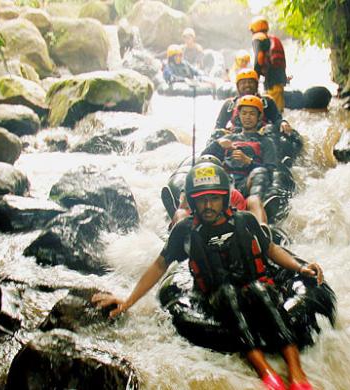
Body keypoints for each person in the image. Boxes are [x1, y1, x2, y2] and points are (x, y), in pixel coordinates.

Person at [92, 162, 323, 390]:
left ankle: (296, 372)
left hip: (254, 286)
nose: (208, 205)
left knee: (260, 291)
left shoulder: (245, 221)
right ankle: (266, 372)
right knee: (227, 293)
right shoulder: (185, 231)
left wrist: (300, 267)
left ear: (225, 198)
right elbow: (158, 266)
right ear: (192, 202)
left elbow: (271, 250)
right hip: (217, 295)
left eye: (213, 199)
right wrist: (128, 301)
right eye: (201, 200)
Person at [202, 95, 277, 203]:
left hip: (246, 185)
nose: (247, 117)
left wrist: (249, 162)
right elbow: (204, 160)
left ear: (259, 116)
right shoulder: (228, 138)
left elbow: (269, 173)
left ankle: (255, 206)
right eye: (244, 113)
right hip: (224, 184)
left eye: (252, 114)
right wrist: (217, 144)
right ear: (239, 115)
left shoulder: (266, 142)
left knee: (260, 172)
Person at [169, 155, 269, 231]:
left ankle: (262, 230)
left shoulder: (232, 194)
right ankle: (178, 237)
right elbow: (185, 212)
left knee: (254, 200)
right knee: (180, 212)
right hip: (198, 228)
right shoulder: (190, 195)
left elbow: (239, 218)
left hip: (228, 228)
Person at [249, 16, 287, 113]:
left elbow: (259, 58)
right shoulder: (272, 38)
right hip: (279, 76)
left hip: (271, 76)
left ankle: (275, 122)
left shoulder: (258, 38)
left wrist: (255, 76)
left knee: (273, 106)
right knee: (279, 105)